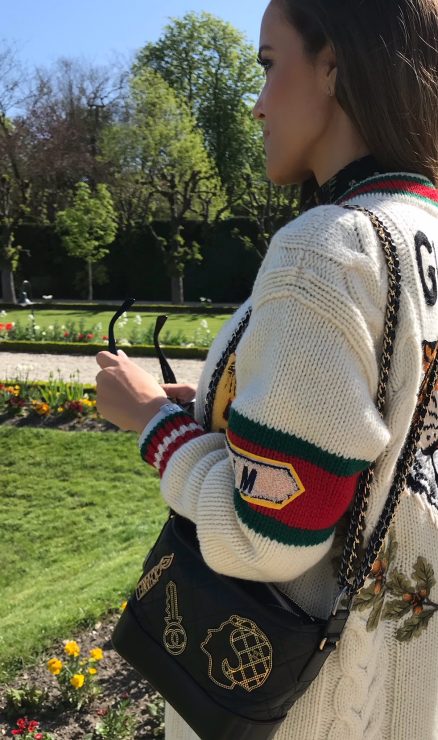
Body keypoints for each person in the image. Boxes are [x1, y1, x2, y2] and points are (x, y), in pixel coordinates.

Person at [95, 0, 438, 737]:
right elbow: (393, 426)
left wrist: (152, 422)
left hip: (308, 708)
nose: (256, 106)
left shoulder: (327, 251)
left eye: (268, 64)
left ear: (333, 64)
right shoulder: (424, 233)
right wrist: (227, 409)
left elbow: (272, 533)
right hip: (409, 688)